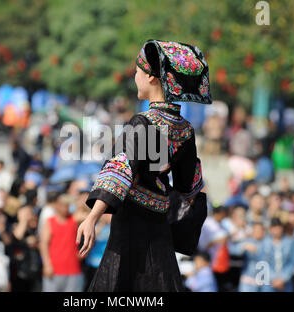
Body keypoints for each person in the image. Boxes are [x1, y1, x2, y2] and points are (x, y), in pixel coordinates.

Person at [77, 40, 210, 291]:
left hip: (130, 226)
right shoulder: (184, 129)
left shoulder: (144, 123)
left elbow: (121, 170)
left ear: (151, 77)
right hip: (159, 225)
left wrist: (92, 216)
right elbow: (189, 187)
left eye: (137, 72)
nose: (135, 78)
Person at [39, 194, 84, 292]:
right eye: (63, 204)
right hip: (54, 270)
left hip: (73, 270)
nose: (66, 207)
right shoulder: (49, 222)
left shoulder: (74, 219)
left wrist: (83, 253)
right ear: (57, 205)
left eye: (67, 205)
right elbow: (43, 244)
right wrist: (47, 265)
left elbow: (86, 213)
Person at [261, 218, 294, 292]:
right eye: (274, 228)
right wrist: (273, 278)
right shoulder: (264, 242)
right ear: (270, 229)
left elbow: (293, 261)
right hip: (269, 282)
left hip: (286, 281)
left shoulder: (290, 242)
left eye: (278, 228)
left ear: (282, 228)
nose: (276, 231)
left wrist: (283, 279)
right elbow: (262, 262)